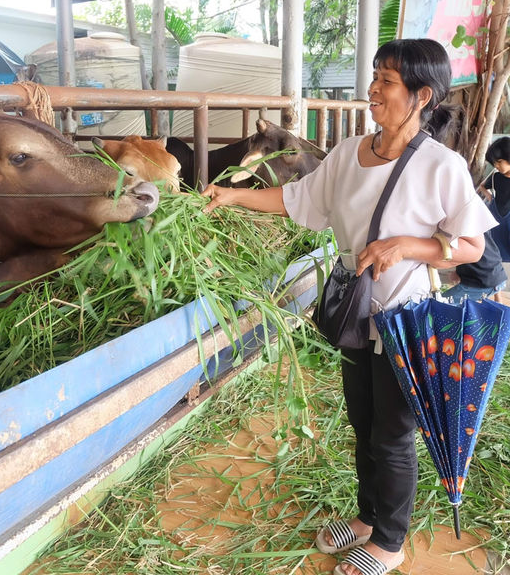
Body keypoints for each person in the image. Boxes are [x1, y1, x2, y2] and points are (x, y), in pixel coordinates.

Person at [201, 39, 495, 575]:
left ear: (420, 96)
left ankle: (389, 540)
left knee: (393, 433)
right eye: (376, 75)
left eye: (387, 81)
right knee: (362, 421)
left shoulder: (440, 166)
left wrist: (406, 245)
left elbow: (472, 247)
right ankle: (365, 518)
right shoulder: (346, 154)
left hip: (404, 320)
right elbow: (298, 200)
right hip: (356, 311)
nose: (373, 89)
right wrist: (234, 195)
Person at [483, 136, 510, 261]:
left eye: (499, 161)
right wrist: (489, 197)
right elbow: (481, 186)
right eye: (494, 163)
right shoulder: (496, 177)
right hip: (497, 218)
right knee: (496, 251)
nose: (496, 166)